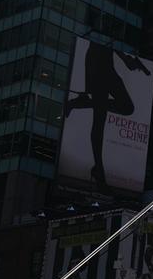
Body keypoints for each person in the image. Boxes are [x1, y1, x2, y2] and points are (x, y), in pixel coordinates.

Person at [63, 40, 148, 187]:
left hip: (107, 67)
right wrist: (127, 60)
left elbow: (114, 43)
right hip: (97, 67)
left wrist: (127, 60)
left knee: (127, 107)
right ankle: (99, 169)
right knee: (99, 120)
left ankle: (78, 103)